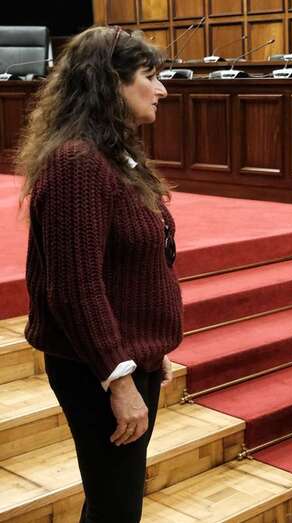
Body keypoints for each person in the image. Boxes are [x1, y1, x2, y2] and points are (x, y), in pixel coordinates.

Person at [17, 26, 181, 522]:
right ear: (110, 83)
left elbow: (135, 263)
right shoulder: (77, 163)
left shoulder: (113, 154)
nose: (162, 89)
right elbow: (74, 288)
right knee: (116, 508)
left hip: (128, 356)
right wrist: (119, 377)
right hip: (95, 369)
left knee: (113, 498)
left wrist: (149, 349)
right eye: (149, 76)